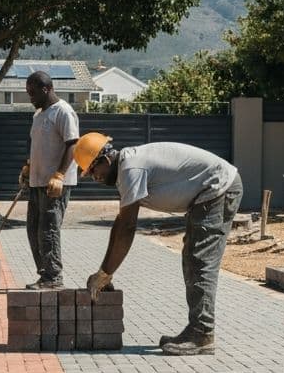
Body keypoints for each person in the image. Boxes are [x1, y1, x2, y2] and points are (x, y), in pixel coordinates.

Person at [75, 134, 243, 356]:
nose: (94, 178)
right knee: (192, 259)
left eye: (93, 172)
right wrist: (105, 272)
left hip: (218, 188)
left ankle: (202, 333)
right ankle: (197, 329)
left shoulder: (131, 169)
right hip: (208, 193)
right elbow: (120, 223)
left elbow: (127, 228)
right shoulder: (127, 168)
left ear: (105, 160)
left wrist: (106, 272)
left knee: (200, 261)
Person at [20, 70, 79, 289]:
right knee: (33, 228)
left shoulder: (63, 111)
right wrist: (28, 166)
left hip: (54, 185)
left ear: (46, 89)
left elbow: (73, 144)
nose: (30, 98)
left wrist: (60, 175)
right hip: (37, 182)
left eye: (33, 93)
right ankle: (44, 273)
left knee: (49, 229)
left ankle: (54, 277)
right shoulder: (39, 115)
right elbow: (36, 145)